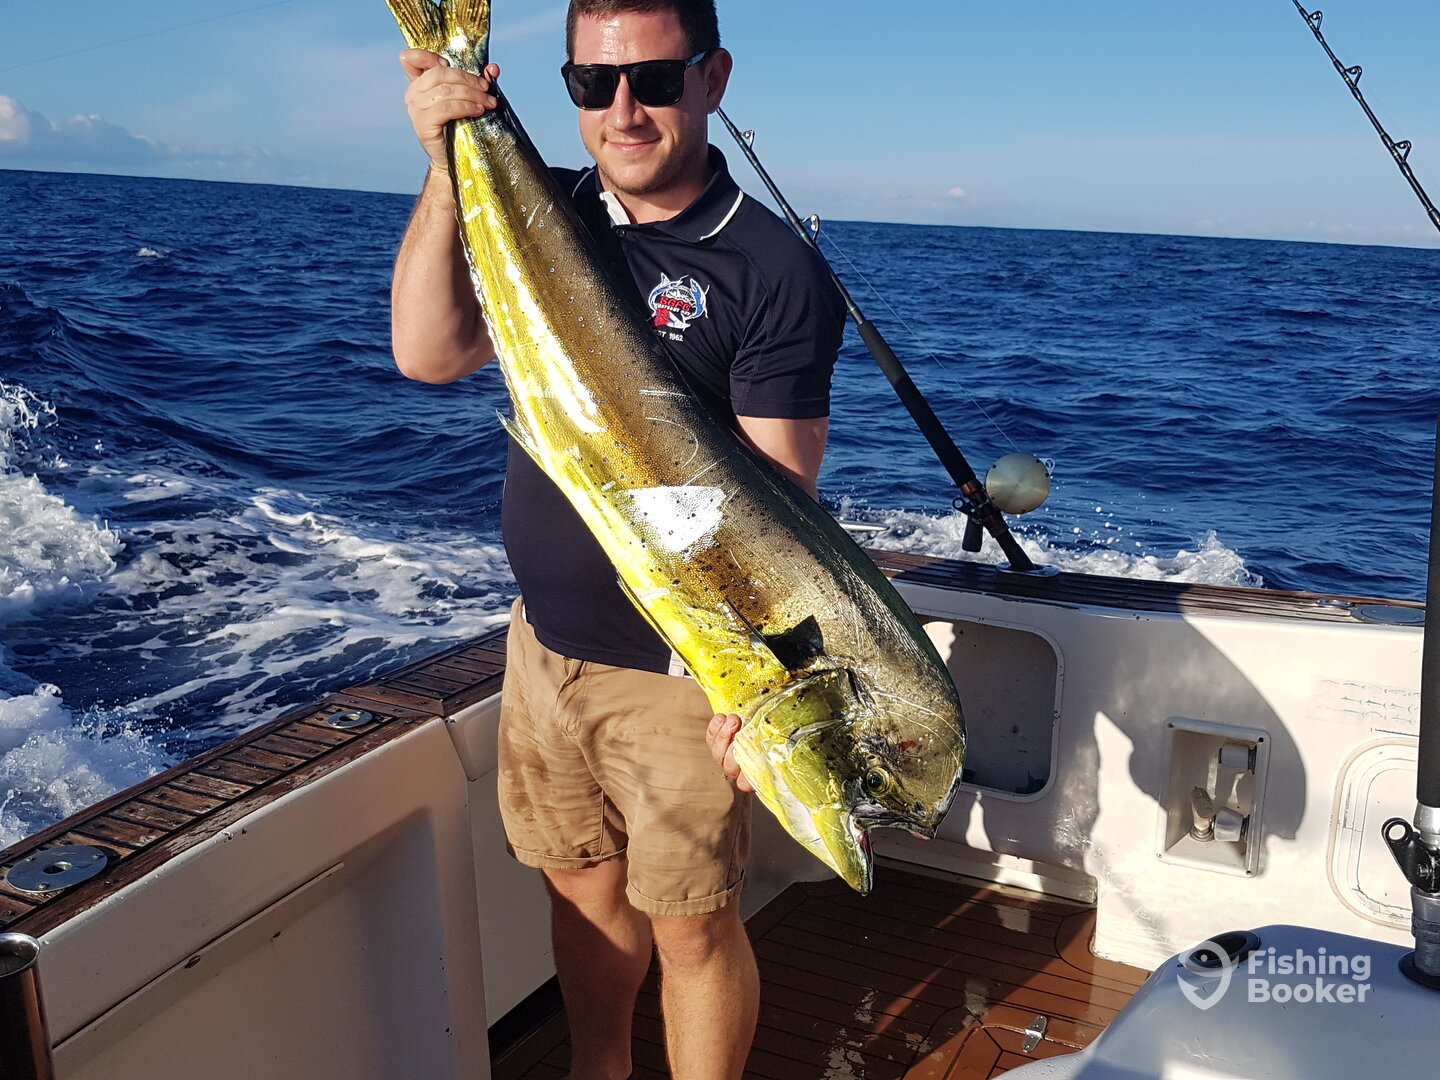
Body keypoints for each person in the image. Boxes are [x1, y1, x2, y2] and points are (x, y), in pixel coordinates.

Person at [389, 2, 844, 1077]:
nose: (624, 111)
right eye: (593, 85)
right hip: (543, 647)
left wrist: (761, 691)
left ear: (712, 78)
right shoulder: (537, 209)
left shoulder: (771, 268)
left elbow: (779, 508)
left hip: (677, 673)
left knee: (692, 926)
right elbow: (428, 354)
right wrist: (448, 162)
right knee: (582, 892)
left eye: (656, 80)